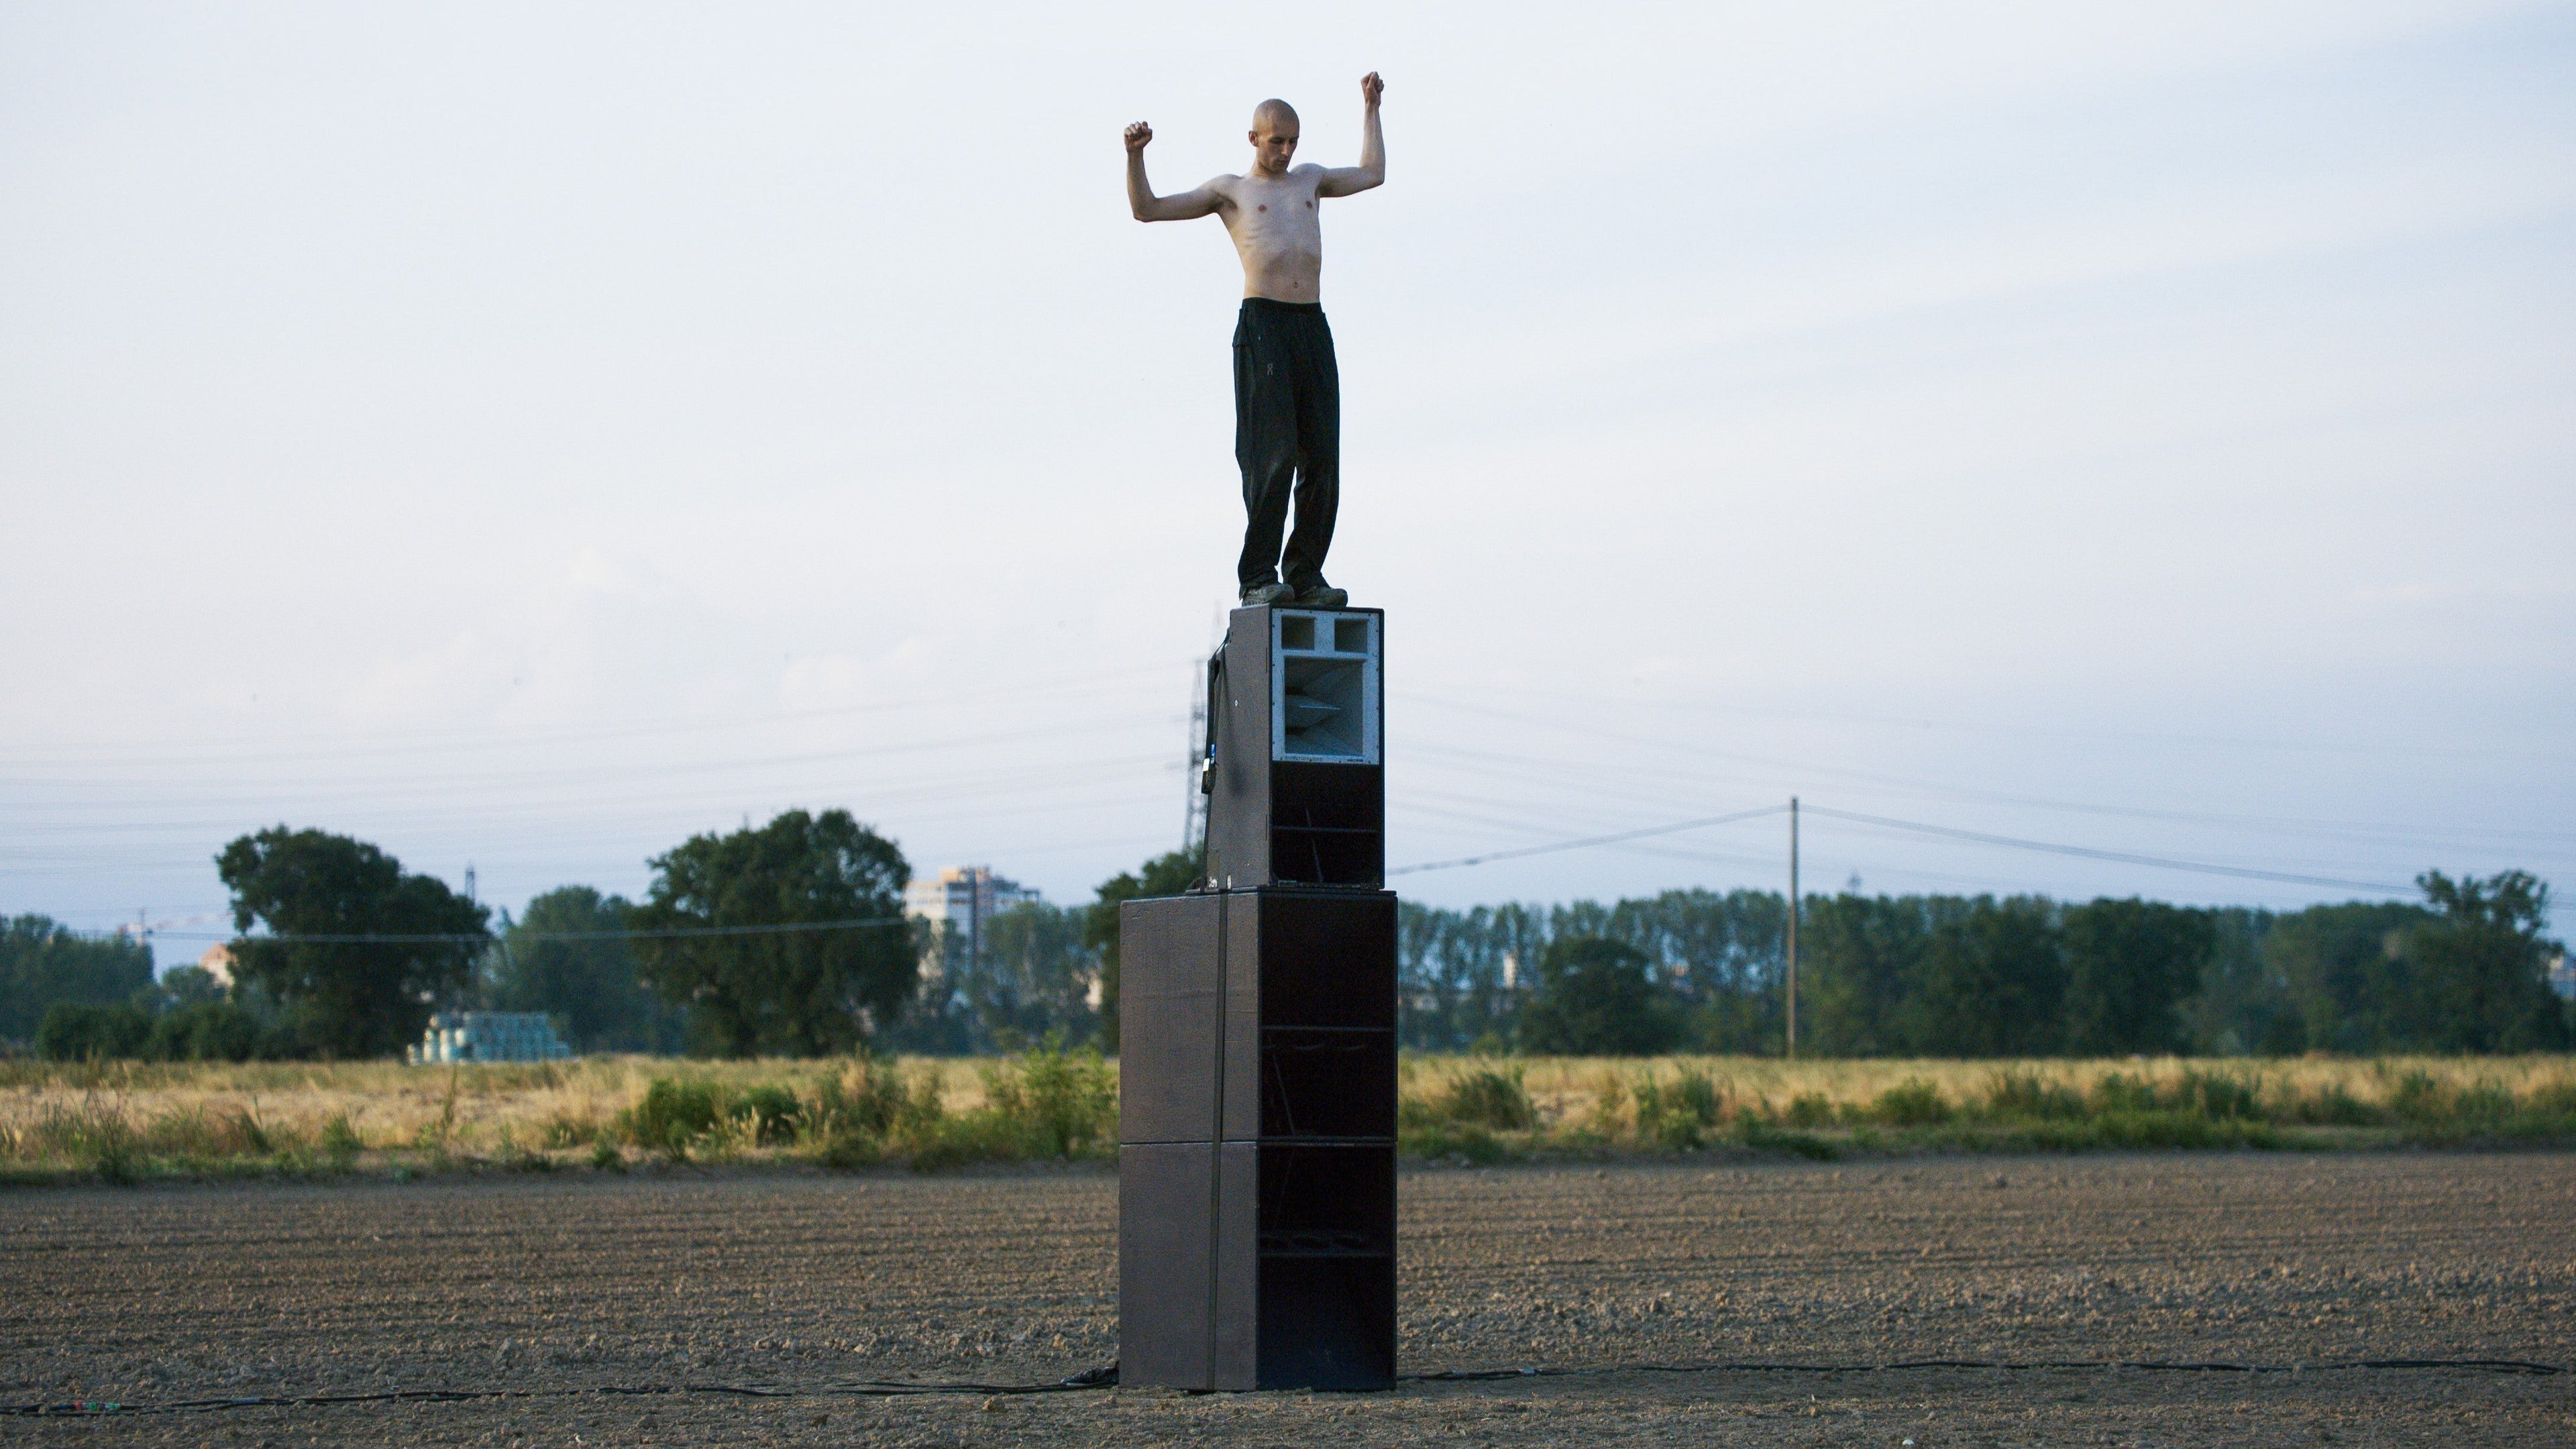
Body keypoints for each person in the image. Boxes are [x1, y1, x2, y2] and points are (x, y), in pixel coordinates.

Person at [1126, 74, 1385, 608]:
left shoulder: (1311, 181)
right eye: (1276, 142)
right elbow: (1147, 209)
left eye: (1294, 141)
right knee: (1274, 454)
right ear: (1253, 139)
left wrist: (1370, 108)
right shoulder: (1232, 192)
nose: (1287, 152)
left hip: (1311, 324)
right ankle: (1258, 576)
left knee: (1323, 456)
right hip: (1263, 324)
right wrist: (1135, 156)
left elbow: (1372, 173)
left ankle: (1306, 574)